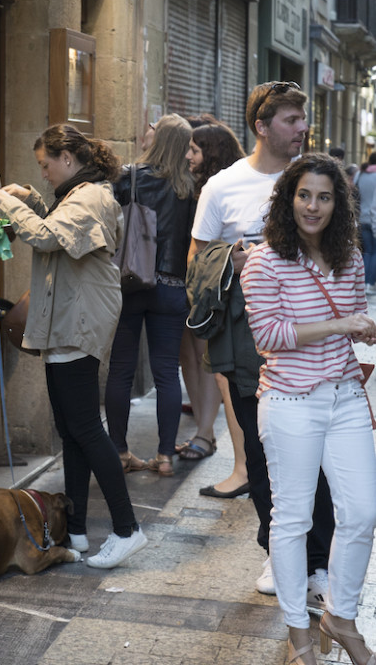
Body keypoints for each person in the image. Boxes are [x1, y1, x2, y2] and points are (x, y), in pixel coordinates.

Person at [189, 81, 334, 607]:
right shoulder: (222, 187)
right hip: (247, 343)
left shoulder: (315, 180)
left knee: (314, 453)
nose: (302, 128)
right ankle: (279, 550)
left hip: (314, 341)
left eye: (303, 119)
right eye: (292, 120)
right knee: (262, 449)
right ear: (262, 126)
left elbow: (343, 252)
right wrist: (235, 260)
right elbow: (194, 262)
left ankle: (316, 562)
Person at [0, 124, 148, 570]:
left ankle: (128, 529)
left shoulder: (92, 196)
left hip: (78, 322)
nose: (43, 174)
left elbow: (46, 237)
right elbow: (57, 226)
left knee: (86, 429)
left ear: (68, 159)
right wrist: (31, 202)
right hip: (68, 321)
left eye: (45, 165)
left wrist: (4, 202)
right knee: (72, 429)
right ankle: (74, 531)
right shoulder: (80, 195)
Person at [241, 153, 376, 665]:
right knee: (293, 519)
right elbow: (269, 336)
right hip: (290, 401)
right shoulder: (265, 259)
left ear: (337, 202)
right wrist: (343, 325)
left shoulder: (349, 254)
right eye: (304, 195)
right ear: (287, 198)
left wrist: (362, 327)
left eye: (324, 196)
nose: (312, 206)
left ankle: (339, 617)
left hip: (344, 397)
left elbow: (351, 319)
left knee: (362, 511)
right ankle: (299, 631)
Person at [104, 114, 196, 476]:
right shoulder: (190, 187)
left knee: (121, 371)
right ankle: (165, 457)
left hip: (131, 283)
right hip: (173, 290)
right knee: (166, 375)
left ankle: (120, 452)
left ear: (158, 139)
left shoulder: (127, 177)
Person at [179, 121, 250, 500]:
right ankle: (247, 466)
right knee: (233, 386)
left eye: (195, 149)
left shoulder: (219, 188)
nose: (188, 156)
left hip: (230, 303)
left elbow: (201, 251)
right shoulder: (218, 186)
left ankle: (243, 469)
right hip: (226, 300)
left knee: (233, 387)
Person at [354, 152, 376, 294]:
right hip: (373, 219)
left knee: (366, 252)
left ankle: (362, 283)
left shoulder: (360, 174)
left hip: (360, 218)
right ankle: (370, 283)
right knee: (374, 253)